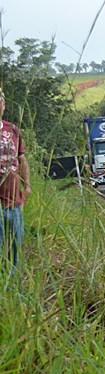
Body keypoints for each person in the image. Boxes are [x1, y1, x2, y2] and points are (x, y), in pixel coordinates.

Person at [0, 87, 32, 268]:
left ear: (3, 105)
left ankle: (13, 286)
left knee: (15, 248)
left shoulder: (12, 129)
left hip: (13, 200)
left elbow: (22, 159)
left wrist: (27, 185)